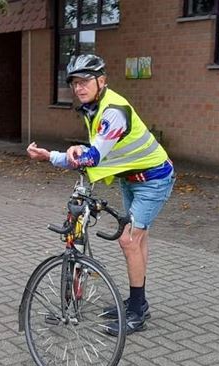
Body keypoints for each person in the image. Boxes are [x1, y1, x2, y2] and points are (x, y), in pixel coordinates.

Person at [26, 54, 175, 334]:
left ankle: (136, 315)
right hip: (131, 180)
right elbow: (98, 150)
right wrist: (52, 155)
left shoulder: (113, 111)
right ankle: (138, 302)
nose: (79, 87)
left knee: (130, 240)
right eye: (74, 83)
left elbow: (93, 156)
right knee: (138, 242)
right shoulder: (94, 108)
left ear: (102, 81)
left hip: (154, 179)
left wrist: (68, 153)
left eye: (85, 81)